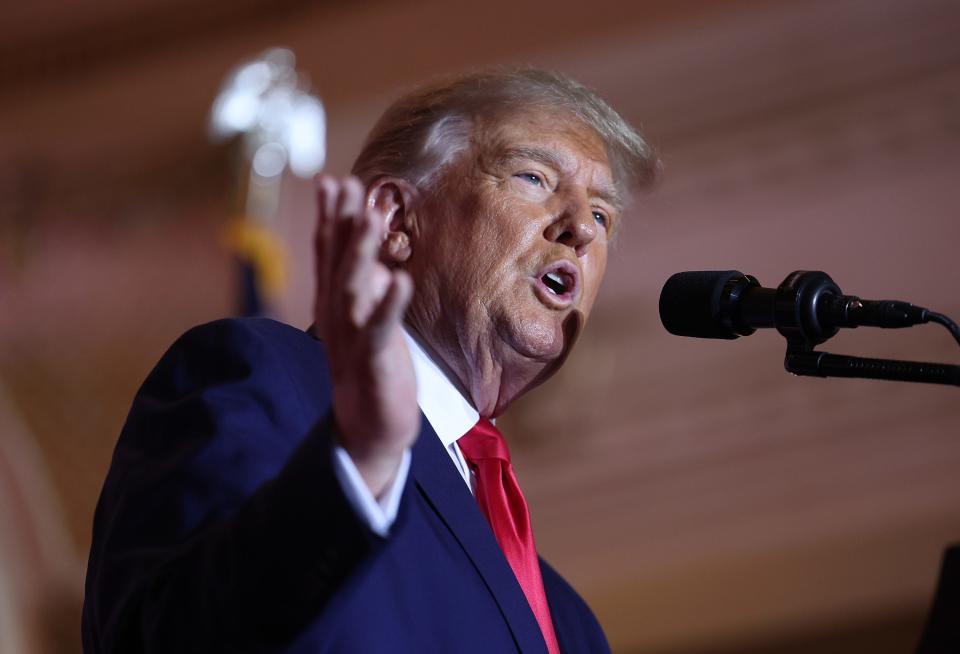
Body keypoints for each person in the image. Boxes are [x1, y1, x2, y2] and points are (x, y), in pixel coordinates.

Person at [82, 66, 658, 653]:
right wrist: (357, 466)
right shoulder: (265, 378)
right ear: (396, 219)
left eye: (603, 216)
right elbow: (169, 636)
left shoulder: (572, 626)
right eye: (534, 178)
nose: (581, 230)